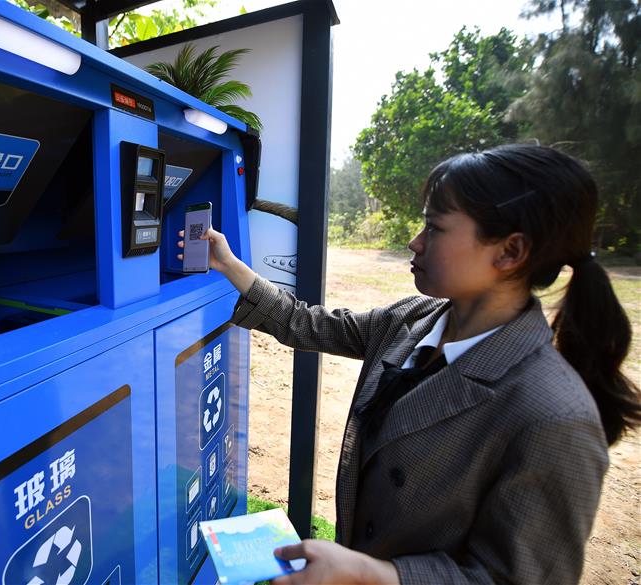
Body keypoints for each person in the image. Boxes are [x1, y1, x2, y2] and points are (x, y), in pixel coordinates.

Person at [178, 144, 641, 584]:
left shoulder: (554, 415)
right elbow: (307, 323)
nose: (414, 242)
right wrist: (230, 264)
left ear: (510, 252)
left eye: (435, 228)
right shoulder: (414, 320)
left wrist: (373, 575)